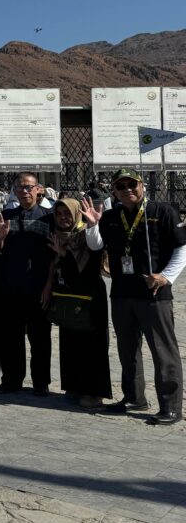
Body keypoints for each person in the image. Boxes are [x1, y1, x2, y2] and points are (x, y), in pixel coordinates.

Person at [84, 168, 186, 424]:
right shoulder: (109, 216)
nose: (128, 189)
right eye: (121, 186)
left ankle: (171, 406)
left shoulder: (163, 212)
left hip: (154, 293)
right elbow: (96, 245)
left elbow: (181, 247)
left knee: (163, 352)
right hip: (122, 293)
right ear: (115, 192)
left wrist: (166, 277)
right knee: (127, 350)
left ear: (141, 186)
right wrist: (92, 225)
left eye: (132, 184)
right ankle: (134, 397)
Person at [0, 172, 55, 395]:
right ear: (14, 191)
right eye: (21, 187)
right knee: (11, 339)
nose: (25, 191)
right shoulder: (5, 216)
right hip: (10, 288)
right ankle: (12, 380)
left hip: (38, 289)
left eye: (29, 187)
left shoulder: (49, 217)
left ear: (39, 190)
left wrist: (48, 286)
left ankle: (41, 383)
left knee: (40, 340)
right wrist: (0, 237)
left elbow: (55, 256)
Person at [43, 197, 111, 408]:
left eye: (68, 214)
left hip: (89, 297)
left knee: (92, 345)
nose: (64, 218)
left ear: (76, 214)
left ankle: (94, 392)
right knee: (70, 341)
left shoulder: (85, 235)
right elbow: (55, 268)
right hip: (67, 296)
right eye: (60, 214)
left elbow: (87, 266)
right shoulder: (58, 236)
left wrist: (65, 253)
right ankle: (74, 386)